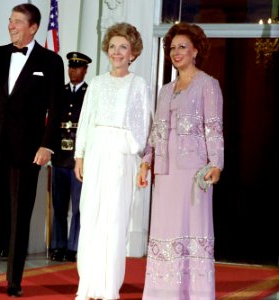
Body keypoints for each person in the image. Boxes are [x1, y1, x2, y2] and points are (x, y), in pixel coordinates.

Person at [0, 3, 64, 297]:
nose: (11, 26)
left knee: (19, 216)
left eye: (18, 22)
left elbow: (56, 108)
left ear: (33, 27)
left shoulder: (51, 60)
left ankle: (14, 281)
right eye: (10, 21)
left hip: (27, 151)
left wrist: (47, 145)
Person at [137, 22, 224, 299]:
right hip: (165, 171)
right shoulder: (165, 90)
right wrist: (146, 162)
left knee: (191, 229)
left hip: (193, 171)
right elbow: (156, 130)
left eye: (182, 47)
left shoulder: (208, 85)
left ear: (196, 50)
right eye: (172, 48)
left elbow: (214, 127)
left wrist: (217, 164)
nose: (176, 52)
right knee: (165, 231)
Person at [73, 23, 152, 300]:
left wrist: (133, 153)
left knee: (115, 221)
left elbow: (143, 127)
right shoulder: (95, 83)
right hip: (94, 154)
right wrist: (79, 155)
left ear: (133, 53)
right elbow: (85, 121)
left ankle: (108, 288)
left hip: (121, 156)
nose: (116, 52)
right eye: (112, 46)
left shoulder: (139, 84)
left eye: (123, 47)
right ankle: (88, 285)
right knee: (91, 217)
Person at [50, 51, 91, 263]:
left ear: (85, 70)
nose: (73, 70)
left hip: (78, 159)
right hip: (59, 156)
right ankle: (58, 245)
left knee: (77, 206)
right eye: (71, 67)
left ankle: (74, 246)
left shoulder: (89, 92)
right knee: (58, 205)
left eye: (77, 67)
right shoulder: (60, 91)